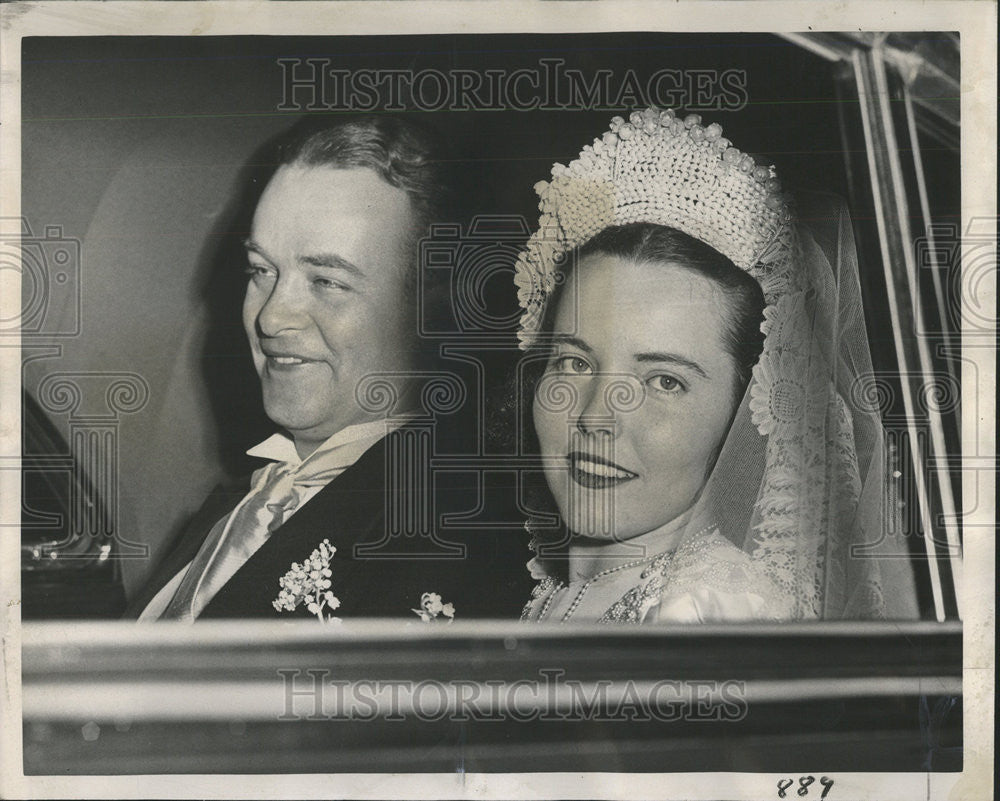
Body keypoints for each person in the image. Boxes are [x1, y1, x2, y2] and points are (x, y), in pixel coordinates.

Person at [512, 108, 920, 623]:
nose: (597, 415)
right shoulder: (556, 590)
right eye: (573, 362)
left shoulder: (710, 613)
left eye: (663, 381)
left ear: (743, 411)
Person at [126, 115, 532, 621]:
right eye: (261, 270)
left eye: (327, 281)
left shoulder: (449, 541)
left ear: (434, 307)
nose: (271, 317)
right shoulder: (243, 499)